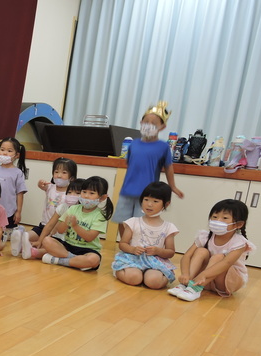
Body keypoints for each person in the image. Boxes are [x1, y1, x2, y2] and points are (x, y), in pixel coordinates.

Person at [112, 101, 184, 237]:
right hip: (126, 191)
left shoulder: (162, 147)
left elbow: (168, 167)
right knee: (123, 221)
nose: (149, 125)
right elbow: (130, 164)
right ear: (141, 122)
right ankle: (125, 246)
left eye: (154, 123)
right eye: (146, 121)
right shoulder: (134, 144)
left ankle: (137, 246)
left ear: (162, 127)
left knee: (141, 223)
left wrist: (173, 186)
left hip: (146, 194)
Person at [168, 199, 255, 302]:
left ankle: (195, 288)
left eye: (225, 218)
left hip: (227, 281)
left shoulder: (239, 242)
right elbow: (187, 256)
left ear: (238, 224)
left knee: (218, 257)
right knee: (201, 251)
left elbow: (226, 263)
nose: (218, 220)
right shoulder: (205, 236)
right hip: (202, 280)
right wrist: (186, 274)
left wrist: (202, 275)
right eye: (215, 217)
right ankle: (186, 285)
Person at [111, 181, 179, 289]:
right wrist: (133, 250)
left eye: (155, 201)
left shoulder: (168, 227)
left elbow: (170, 252)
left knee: (153, 282)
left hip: (155, 262)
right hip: (133, 259)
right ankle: (118, 270)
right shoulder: (133, 222)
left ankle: (164, 275)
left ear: (166, 204)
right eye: (146, 199)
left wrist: (158, 251)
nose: (149, 204)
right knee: (134, 278)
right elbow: (123, 244)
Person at [41, 176, 114, 271]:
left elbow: (89, 237)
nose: (86, 196)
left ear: (102, 197)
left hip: (88, 249)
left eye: (91, 193)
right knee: (47, 240)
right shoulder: (73, 208)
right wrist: (66, 222)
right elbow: (60, 230)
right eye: (84, 192)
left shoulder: (100, 215)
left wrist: (75, 225)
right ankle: (75, 260)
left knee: (94, 259)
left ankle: (60, 261)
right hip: (68, 246)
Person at [11, 157, 77, 257]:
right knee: (30, 235)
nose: (59, 175)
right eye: (56, 172)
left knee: (46, 246)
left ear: (71, 177)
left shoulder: (71, 193)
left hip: (56, 228)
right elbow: (41, 186)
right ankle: (21, 238)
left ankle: (27, 248)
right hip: (44, 224)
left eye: (64, 172)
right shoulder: (51, 187)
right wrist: (40, 183)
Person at [15, 178, 84, 260]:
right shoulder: (63, 207)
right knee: (46, 241)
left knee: (50, 249)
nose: (72, 195)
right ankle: (24, 248)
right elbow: (50, 225)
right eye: (69, 192)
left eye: (77, 193)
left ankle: (33, 252)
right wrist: (40, 241)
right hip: (58, 238)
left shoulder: (84, 211)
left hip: (72, 242)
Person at [0, 137, 28, 235]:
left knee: (7, 234)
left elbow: (20, 193)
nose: (4, 153)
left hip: (9, 211)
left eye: (9, 151)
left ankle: (19, 230)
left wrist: (18, 212)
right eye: (2, 150)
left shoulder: (18, 173)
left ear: (17, 155)